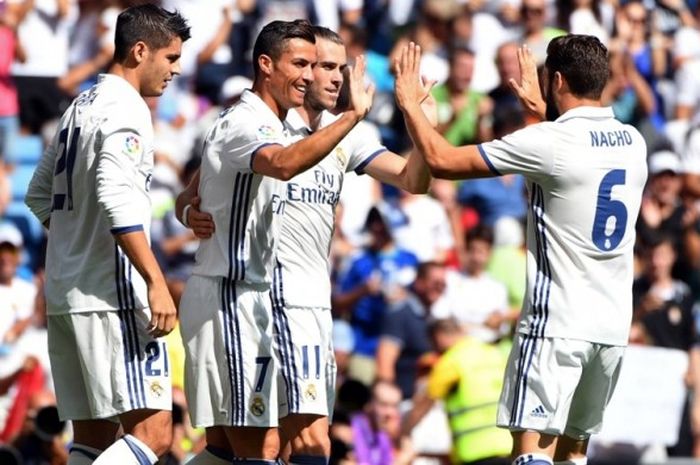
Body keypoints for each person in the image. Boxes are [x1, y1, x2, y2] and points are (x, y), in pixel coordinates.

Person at [178, 25, 436, 465]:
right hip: (261, 300)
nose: (337, 78)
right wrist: (188, 212)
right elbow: (197, 189)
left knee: (264, 446)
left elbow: (414, 180)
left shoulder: (345, 137)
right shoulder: (265, 126)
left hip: (313, 305)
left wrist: (418, 118)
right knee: (290, 446)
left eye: (342, 68)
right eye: (324, 67)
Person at [393, 35, 648, 465]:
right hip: (610, 329)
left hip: (557, 323)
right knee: (573, 456)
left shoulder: (548, 142)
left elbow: (441, 161)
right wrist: (544, 111)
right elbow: (576, 154)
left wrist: (410, 105)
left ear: (558, 80)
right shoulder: (633, 142)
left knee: (531, 455)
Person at [24, 4, 190, 465]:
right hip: (111, 295)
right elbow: (116, 198)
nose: (176, 70)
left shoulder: (81, 104)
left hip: (68, 292)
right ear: (140, 51)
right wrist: (156, 280)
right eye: (171, 58)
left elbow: (39, 195)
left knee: (94, 438)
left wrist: (80, 239)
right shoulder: (127, 109)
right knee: (154, 435)